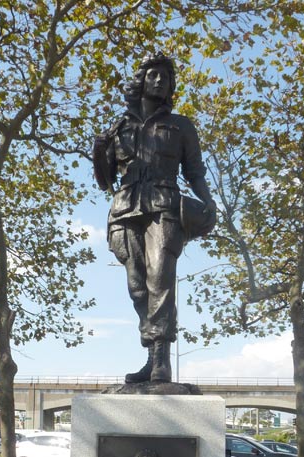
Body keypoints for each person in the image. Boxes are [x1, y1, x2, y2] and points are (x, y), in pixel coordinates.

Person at [93, 52, 216, 384]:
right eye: (153, 75)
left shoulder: (181, 126)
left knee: (160, 280)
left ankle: (161, 359)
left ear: (171, 86)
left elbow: (194, 172)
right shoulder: (121, 127)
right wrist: (99, 153)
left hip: (164, 206)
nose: (159, 80)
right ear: (142, 81)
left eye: (165, 77)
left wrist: (208, 204)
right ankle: (151, 356)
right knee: (137, 287)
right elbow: (105, 181)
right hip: (125, 208)